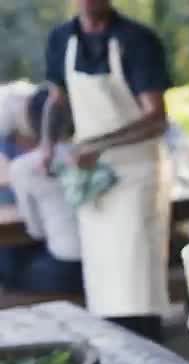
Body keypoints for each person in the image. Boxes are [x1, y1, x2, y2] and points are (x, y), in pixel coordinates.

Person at [40, 0, 172, 342]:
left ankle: (150, 357)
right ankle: (119, 357)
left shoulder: (136, 40)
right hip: (92, 181)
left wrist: (98, 145)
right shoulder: (61, 40)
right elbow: (57, 99)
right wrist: (47, 145)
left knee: (136, 282)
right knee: (103, 282)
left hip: (135, 175)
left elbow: (156, 118)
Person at [0, 84, 83, 296]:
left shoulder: (26, 166)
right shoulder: (95, 153)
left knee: (8, 264)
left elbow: (35, 231)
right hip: (109, 259)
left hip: (69, 270)